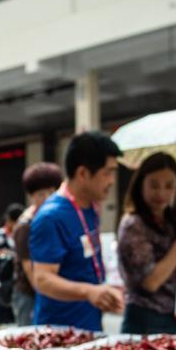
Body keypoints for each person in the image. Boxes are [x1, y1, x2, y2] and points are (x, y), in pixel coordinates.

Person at [30, 132, 125, 331]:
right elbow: (43, 279)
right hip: (58, 332)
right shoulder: (51, 217)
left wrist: (100, 291)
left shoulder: (90, 208)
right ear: (83, 173)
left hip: (89, 323)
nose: (112, 181)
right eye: (107, 173)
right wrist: (88, 291)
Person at [116, 152, 176, 334]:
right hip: (146, 318)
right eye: (154, 185)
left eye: (169, 186)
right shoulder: (134, 225)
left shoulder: (170, 221)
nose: (161, 193)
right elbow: (151, 282)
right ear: (141, 184)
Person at [13, 162, 64, 326]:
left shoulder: (52, 218)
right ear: (31, 196)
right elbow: (32, 274)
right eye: (41, 194)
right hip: (29, 295)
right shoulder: (26, 226)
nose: (48, 198)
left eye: (52, 192)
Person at [0, 203, 24, 333]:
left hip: (13, 279)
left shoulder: (17, 233)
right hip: (2, 279)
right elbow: (0, 253)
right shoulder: (0, 234)